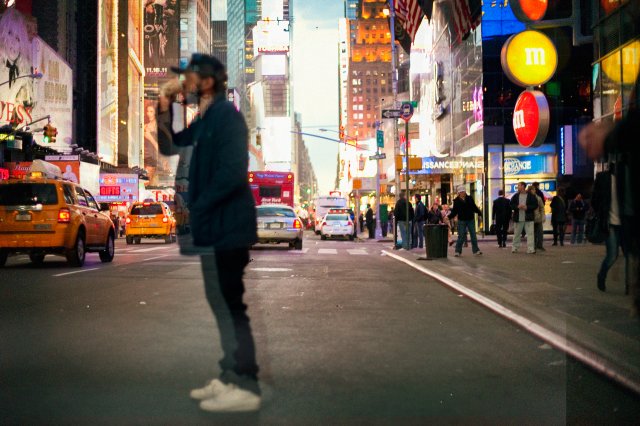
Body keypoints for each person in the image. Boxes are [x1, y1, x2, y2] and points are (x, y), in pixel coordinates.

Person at [156, 54, 261, 412]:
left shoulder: (227, 118)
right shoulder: (205, 118)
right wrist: (164, 106)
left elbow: (232, 173)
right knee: (220, 304)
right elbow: (171, 145)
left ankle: (246, 383)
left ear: (208, 81)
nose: (183, 82)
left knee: (231, 305)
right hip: (215, 227)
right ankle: (230, 374)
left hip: (228, 226)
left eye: (189, 77)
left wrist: (198, 206)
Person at [448, 186, 482, 257]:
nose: (463, 193)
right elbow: (454, 212)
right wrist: (448, 217)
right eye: (461, 192)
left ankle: (476, 250)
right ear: (459, 193)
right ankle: (458, 251)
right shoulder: (456, 201)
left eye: (463, 192)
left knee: (473, 235)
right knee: (461, 236)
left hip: (470, 219)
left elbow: (474, 207)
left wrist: (479, 213)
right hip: (461, 220)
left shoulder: (469, 198)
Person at [510, 181, 538, 254]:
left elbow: (535, 205)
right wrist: (517, 207)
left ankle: (531, 249)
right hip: (518, 218)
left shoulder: (531, 196)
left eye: (518, 185)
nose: (517, 187)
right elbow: (511, 204)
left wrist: (527, 207)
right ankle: (515, 248)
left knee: (530, 234)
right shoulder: (515, 196)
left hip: (528, 218)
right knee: (516, 234)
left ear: (523, 186)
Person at [531, 185, 546, 252]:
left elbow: (542, 208)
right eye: (532, 190)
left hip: (538, 217)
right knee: (532, 233)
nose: (534, 191)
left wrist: (543, 216)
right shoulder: (528, 198)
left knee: (540, 233)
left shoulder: (538, 198)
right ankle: (533, 246)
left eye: (534, 190)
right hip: (531, 218)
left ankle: (539, 245)